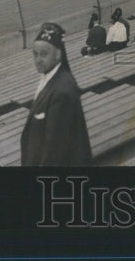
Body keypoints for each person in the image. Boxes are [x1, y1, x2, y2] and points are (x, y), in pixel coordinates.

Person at [20, 22, 93, 167]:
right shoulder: (52, 78)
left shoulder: (62, 92)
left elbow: (55, 151)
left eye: (44, 54)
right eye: (35, 54)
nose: (38, 60)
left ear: (58, 54)